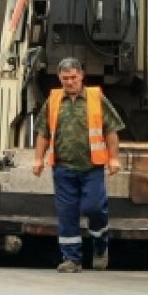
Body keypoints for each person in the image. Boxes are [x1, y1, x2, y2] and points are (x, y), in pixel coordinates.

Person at [32, 58, 123, 273]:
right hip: (63, 168)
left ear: (82, 75)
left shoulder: (95, 98)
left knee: (94, 208)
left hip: (91, 167)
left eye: (73, 77)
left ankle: (100, 246)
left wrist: (114, 158)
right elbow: (43, 133)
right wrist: (38, 159)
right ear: (59, 79)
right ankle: (72, 259)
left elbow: (111, 130)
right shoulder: (53, 100)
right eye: (65, 79)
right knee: (67, 213)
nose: (70, 82)